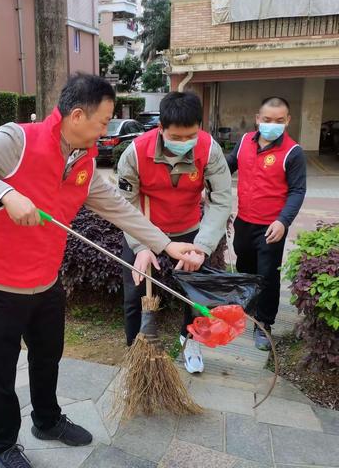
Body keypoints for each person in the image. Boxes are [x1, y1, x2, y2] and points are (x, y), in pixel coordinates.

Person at [0, 74, 202, 468]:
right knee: (0, 371)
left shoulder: (84, 159)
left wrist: (166, 243)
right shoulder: (18, 140)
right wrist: (5, 194)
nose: (105, 129)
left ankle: (46, 421)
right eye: (102, 121)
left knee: (47, 358)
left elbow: (117, 206)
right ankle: (2, 444)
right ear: (77, 115)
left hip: (46, 280)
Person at [117, 91, 232, 374]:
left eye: (190, 136)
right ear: (160, 129)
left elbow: (221, 199)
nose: (184, 143)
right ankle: (135, 349)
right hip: (145, 231)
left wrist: (202, 246)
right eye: (176, 138)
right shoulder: (134, 153)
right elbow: (124, 204)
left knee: (194, 295)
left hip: (190, 231)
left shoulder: (209, 149)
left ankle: (190, 341)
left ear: (199, 129)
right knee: (134, 294)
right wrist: (141, 246)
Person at [226, 97, 306, 351]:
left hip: (271, 227)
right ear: (258, 119)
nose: (273, 125)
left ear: (287, 121)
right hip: (244, 221)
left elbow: (297, 191)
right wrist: (207, 183)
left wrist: (283, 221)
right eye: (268, 120)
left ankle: (264, 323)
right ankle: (247, 308)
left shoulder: (293, 152)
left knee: (268, 275)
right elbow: (226, 166)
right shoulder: (244, 142)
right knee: (244, 268)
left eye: (279, 121)